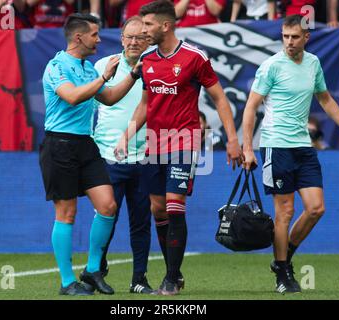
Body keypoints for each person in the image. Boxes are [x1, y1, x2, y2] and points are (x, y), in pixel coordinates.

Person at [115, 0, 243, 296]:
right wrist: (126, 135)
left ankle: (170, 278)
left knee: (174, 203)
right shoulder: (147, 60)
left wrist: (233, 140)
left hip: (183, 140)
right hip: (154, 143)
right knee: (158, 209)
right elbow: (146, 105)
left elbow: (221, 99)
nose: (143, 30)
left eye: (147, 25)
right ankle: (176, 270)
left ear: (165, 25)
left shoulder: (194, 57)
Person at [242, 14, 339, 294]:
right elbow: (250, 107)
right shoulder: (271, 66)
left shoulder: (313, 63)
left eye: (295, 37)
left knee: (316, 208)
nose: (289, 42)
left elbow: (324, 98)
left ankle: (282, 260)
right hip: (276, 145)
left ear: (306, 37)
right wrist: (248, 147)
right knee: (285, 211)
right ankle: (283, 272)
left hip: (303, 147)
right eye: (285, 36)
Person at [40, 13, 142, 296]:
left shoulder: (86, 68)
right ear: (79, 37)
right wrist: (104, 77)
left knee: (108, 206)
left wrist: (133, 75)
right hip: (59, 145)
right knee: (66, 213)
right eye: (95, 34)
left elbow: (107, 97)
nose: (99, 39)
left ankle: (93, 269)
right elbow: (72, 96)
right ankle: (66, 282)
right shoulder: (57, 66)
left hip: (85, 144)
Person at [92, 15, 154, 294]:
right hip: (108, 156)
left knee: (141, 221)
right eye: (128, 37)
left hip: (145, 155)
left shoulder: (156, 67)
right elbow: (91, 107)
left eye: (139, 37)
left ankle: (138, 279)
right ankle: (97, 268)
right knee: (106, 217)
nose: (133, 42)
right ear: (121, 38)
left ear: (149, 39)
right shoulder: (104, 66)